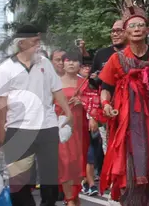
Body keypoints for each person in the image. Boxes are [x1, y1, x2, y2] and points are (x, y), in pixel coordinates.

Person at [99, 7, 149, 206]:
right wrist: (105, 104)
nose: (136, 29)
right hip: (129, 127)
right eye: (132, 26)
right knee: (131, 175)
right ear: (126, 32)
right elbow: (105, 88)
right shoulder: (116, 59)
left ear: (148, 30)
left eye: (141, 25)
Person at [0, 24, 73, 206]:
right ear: (22, 44)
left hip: (47, 127)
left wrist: (68, 112)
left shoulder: (45, 63)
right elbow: (1, 102)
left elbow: (57, 89)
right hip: (17, 128)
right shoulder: (6, 68)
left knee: (50, 179)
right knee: (18, 182)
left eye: (39, 40)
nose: (39, 44)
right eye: (35, 41)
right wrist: (1, 133)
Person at [56, 53, 88, 206]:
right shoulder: (55, 84)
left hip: (81, 129)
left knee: (77, 164)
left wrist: (82, 101)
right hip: (63, 129)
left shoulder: (86, 83)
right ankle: (70, 200)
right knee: (65, 163)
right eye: (68, 60)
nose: (71, 64)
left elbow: (95, 104)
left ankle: (74, 198)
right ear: (62, 63)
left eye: (75, 61)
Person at [79, 62, 105, 196]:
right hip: (79, 124)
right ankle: (90, 183)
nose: (87, 69)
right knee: (88, 155)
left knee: (95, 154)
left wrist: (94, 116)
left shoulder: (97, 85)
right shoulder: (77, 84)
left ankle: (88, 181)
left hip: (97, 123)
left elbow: (100, 100)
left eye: (89, 67)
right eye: (84, 67)